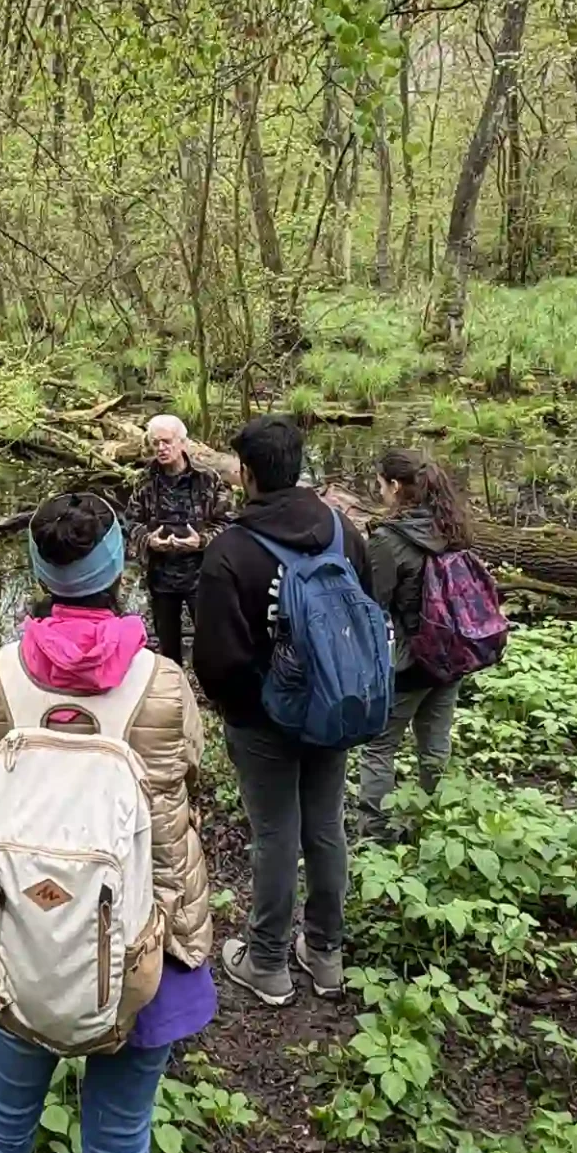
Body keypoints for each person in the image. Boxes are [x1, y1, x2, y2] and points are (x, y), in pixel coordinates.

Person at [0, 492, 214, 1153]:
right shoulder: (163, 683)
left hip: (27, 929)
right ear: (120, 567)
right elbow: (191, 781)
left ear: (40, 574)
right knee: (118, 1141)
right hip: (146, 935)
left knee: (3, 1113)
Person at [191, 414, 377, 1006]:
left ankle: (267, 961)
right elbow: (364, 613)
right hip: (334, 707)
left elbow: (217, 663)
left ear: (244, 473)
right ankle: (326, 954)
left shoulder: (230, 552)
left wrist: (247, 709)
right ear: (297, 467)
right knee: (325, 827)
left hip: (264, 722)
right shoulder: (345, 532)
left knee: (275, 834)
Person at [357, 449, 476, 833]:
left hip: (408, 661)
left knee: (379, 747)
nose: (379, 491)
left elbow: (373, 603)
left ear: (395, 486)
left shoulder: (388, 540)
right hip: (451, 652)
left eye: (380, 484)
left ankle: (375, 835)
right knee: (435, 744)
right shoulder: (452, 526)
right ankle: (437, 822)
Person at [125, 415, 226, 664]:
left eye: (167, 442)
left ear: (182, 443)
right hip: (160, 578)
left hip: (201, 576)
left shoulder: (208, 479)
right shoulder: (143, 480)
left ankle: (212, 691)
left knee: (212, 642)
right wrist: (148, 540)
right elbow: (130, 524)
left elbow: (229, 524)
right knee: (167, 649)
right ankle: (174, 690)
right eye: (155, 442)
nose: (161, 448)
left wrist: (201, 541)